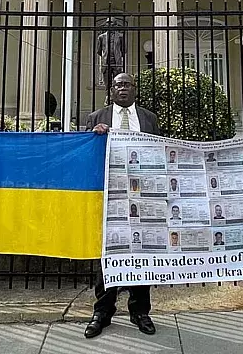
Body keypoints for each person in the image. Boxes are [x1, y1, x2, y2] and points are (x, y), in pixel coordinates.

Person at [85, 73, 160, 339]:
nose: (123, 89)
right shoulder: (97, 118)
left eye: (128, 85)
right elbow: (87, 157)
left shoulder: (149, 119)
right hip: (110, 196)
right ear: (111, 90)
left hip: (142, 196)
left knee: (141, 251)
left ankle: (140, 311)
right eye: (118, 85)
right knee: (108, 252)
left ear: (135, 89)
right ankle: (102, 311)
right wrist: (95, 137)